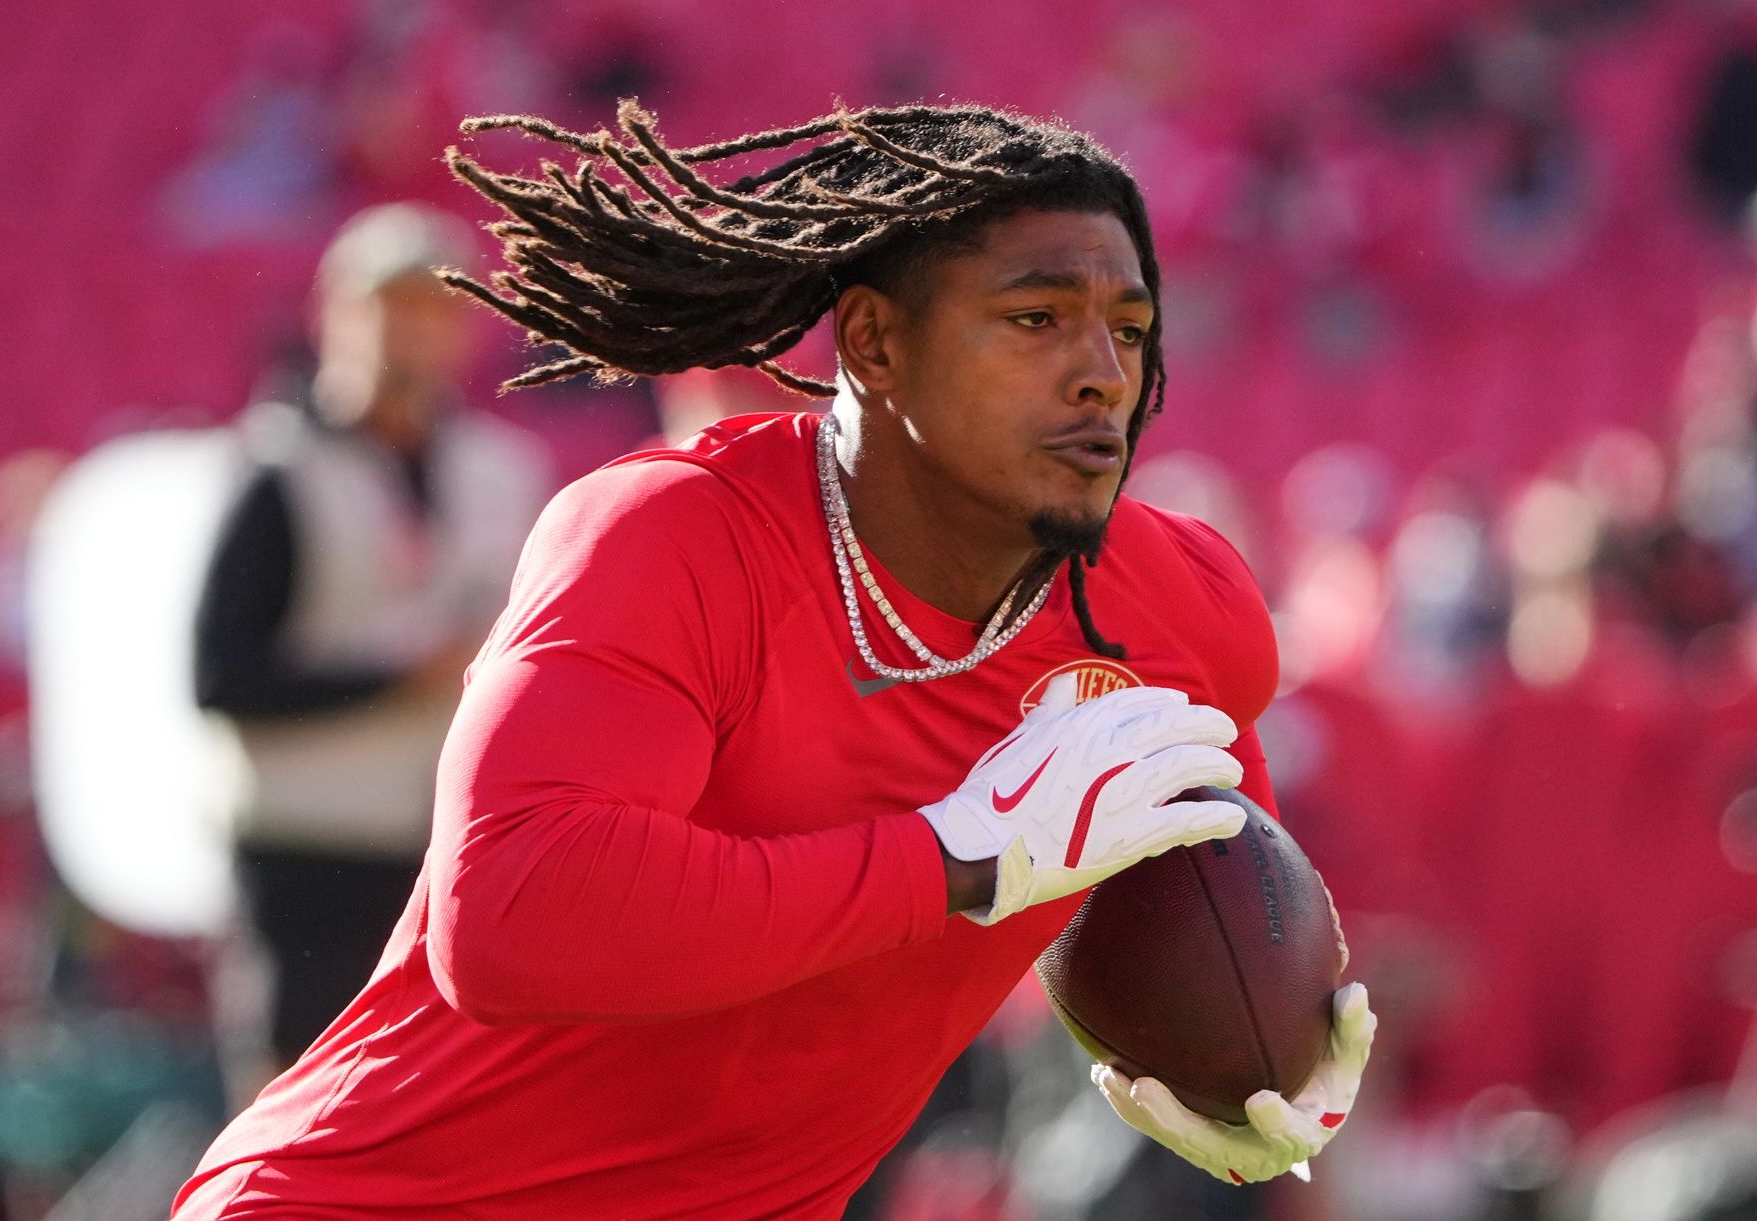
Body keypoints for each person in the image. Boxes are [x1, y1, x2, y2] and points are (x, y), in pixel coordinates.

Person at [174, 101, 1374, 1219]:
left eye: (1129, 329)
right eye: (1035, 317)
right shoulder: (670, 532)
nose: (1102, 371)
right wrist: (956, 857)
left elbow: (1215, 881)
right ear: (874, 344)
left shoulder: (1179, 608)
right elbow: (509, 918)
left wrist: (1269, 1067)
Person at [191, 203, 553, 1098]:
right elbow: (219, 676)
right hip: (304, 840)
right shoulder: (275, 469)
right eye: (389, 304)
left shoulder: (506, 472)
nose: (412, 330)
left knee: (440, 1107)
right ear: (334, 314)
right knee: (293, 1104)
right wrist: (397, 677)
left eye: (435, 307)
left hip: (448, 845)